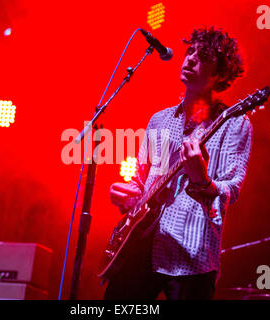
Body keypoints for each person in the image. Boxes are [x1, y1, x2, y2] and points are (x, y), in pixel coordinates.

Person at [104, 26, 252, 300]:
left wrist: (201, 179)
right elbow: (140, 179)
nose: (191, 59)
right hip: (139, 247)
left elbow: (232, 190)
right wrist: (125, 196)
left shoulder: (235, 123)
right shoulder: (158, 120)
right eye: (190, 52)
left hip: (191, 254)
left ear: (220, 74)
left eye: (203, 56)